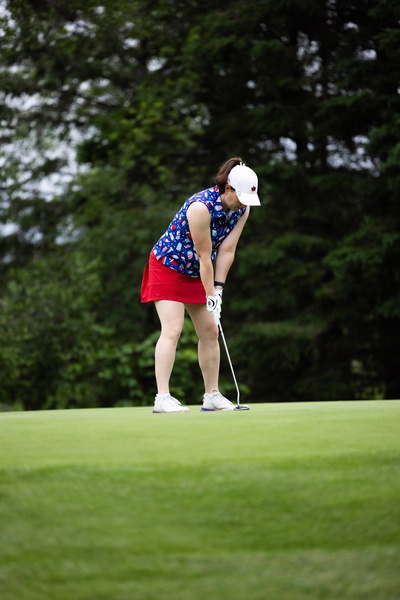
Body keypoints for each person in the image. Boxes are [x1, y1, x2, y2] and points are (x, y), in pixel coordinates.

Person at [141, 157, 261, 413]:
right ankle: (162, 398)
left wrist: (218, 289)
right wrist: (210, 295)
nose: (244, 203)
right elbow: (204, 256)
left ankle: (212, 395)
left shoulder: (243, 209)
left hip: (198, 271)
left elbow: (227, 250)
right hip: (168, 265)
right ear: (228, 188)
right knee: (173, 329)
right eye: (241, 197)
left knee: (210, 331)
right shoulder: (201, 207)